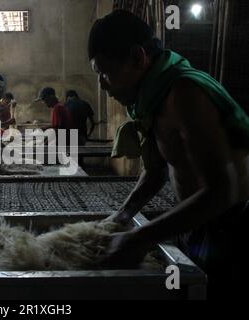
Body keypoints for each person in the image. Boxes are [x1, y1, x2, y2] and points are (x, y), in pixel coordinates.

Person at [88, 10, 249, 299]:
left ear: (137, 58)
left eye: (104, 72)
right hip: (197, 223)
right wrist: (123, 215)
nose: (102, 84)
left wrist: (140, 237)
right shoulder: (152, 99)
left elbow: (224, 190)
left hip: (232, 228)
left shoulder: (185, 93)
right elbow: (156, 169)